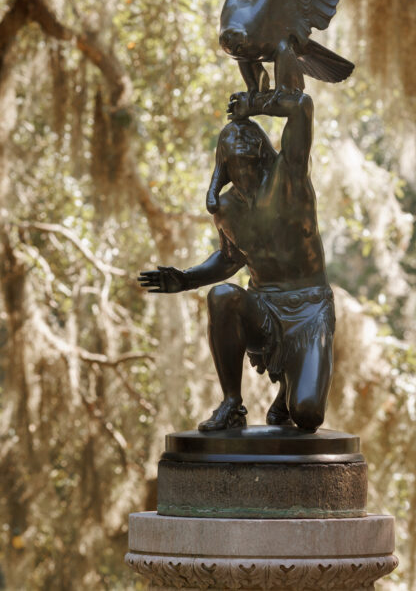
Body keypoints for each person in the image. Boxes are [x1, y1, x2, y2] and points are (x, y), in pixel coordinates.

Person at [139, 88, 335, 433]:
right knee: (222, 297)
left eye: (249, 159)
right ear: (224, 167)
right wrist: (186, 279)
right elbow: (231, 259)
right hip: (264, 306)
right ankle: (232, 402)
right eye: (234, 163)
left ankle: (290, 388)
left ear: (263, 155)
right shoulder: (227, 208)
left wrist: (256, 104)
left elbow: (302, 106)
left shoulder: (289, 178)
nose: (243, 169)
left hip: (308, 309)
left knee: (307, 415)